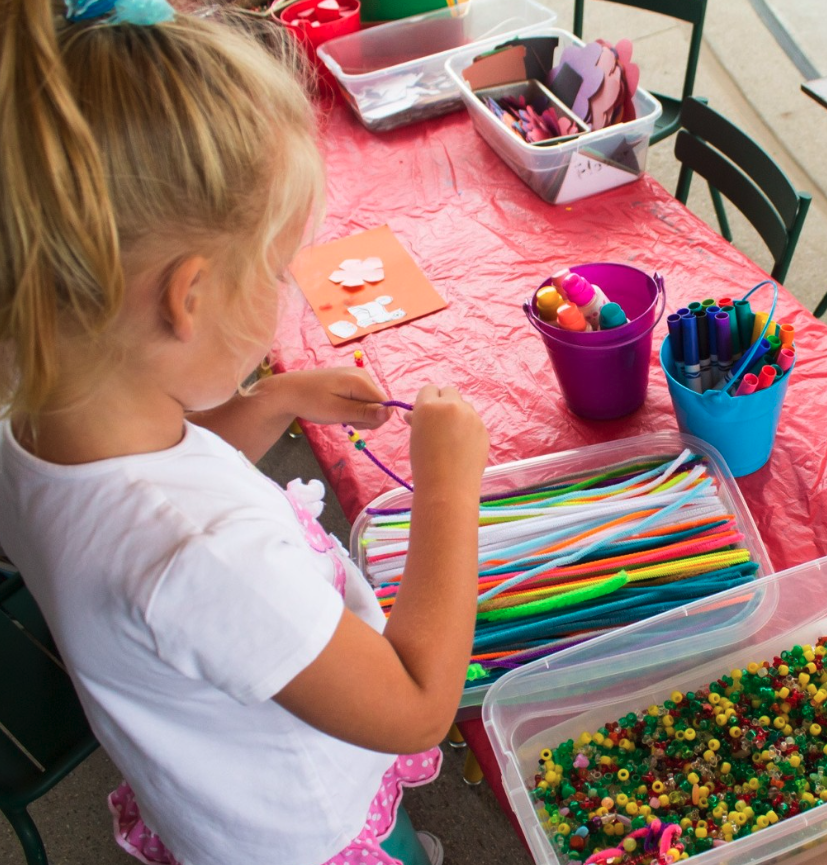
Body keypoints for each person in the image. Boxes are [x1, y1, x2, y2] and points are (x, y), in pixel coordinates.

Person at [0, 2, 489, 865]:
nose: (284, 300)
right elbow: (416, 702)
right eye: (272, 272)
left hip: (215, 791)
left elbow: (154, 486)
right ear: (187, 298)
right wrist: (450, 489)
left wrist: (273, 400)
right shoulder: (209, 553)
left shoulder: (33, 425)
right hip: (301, 831)